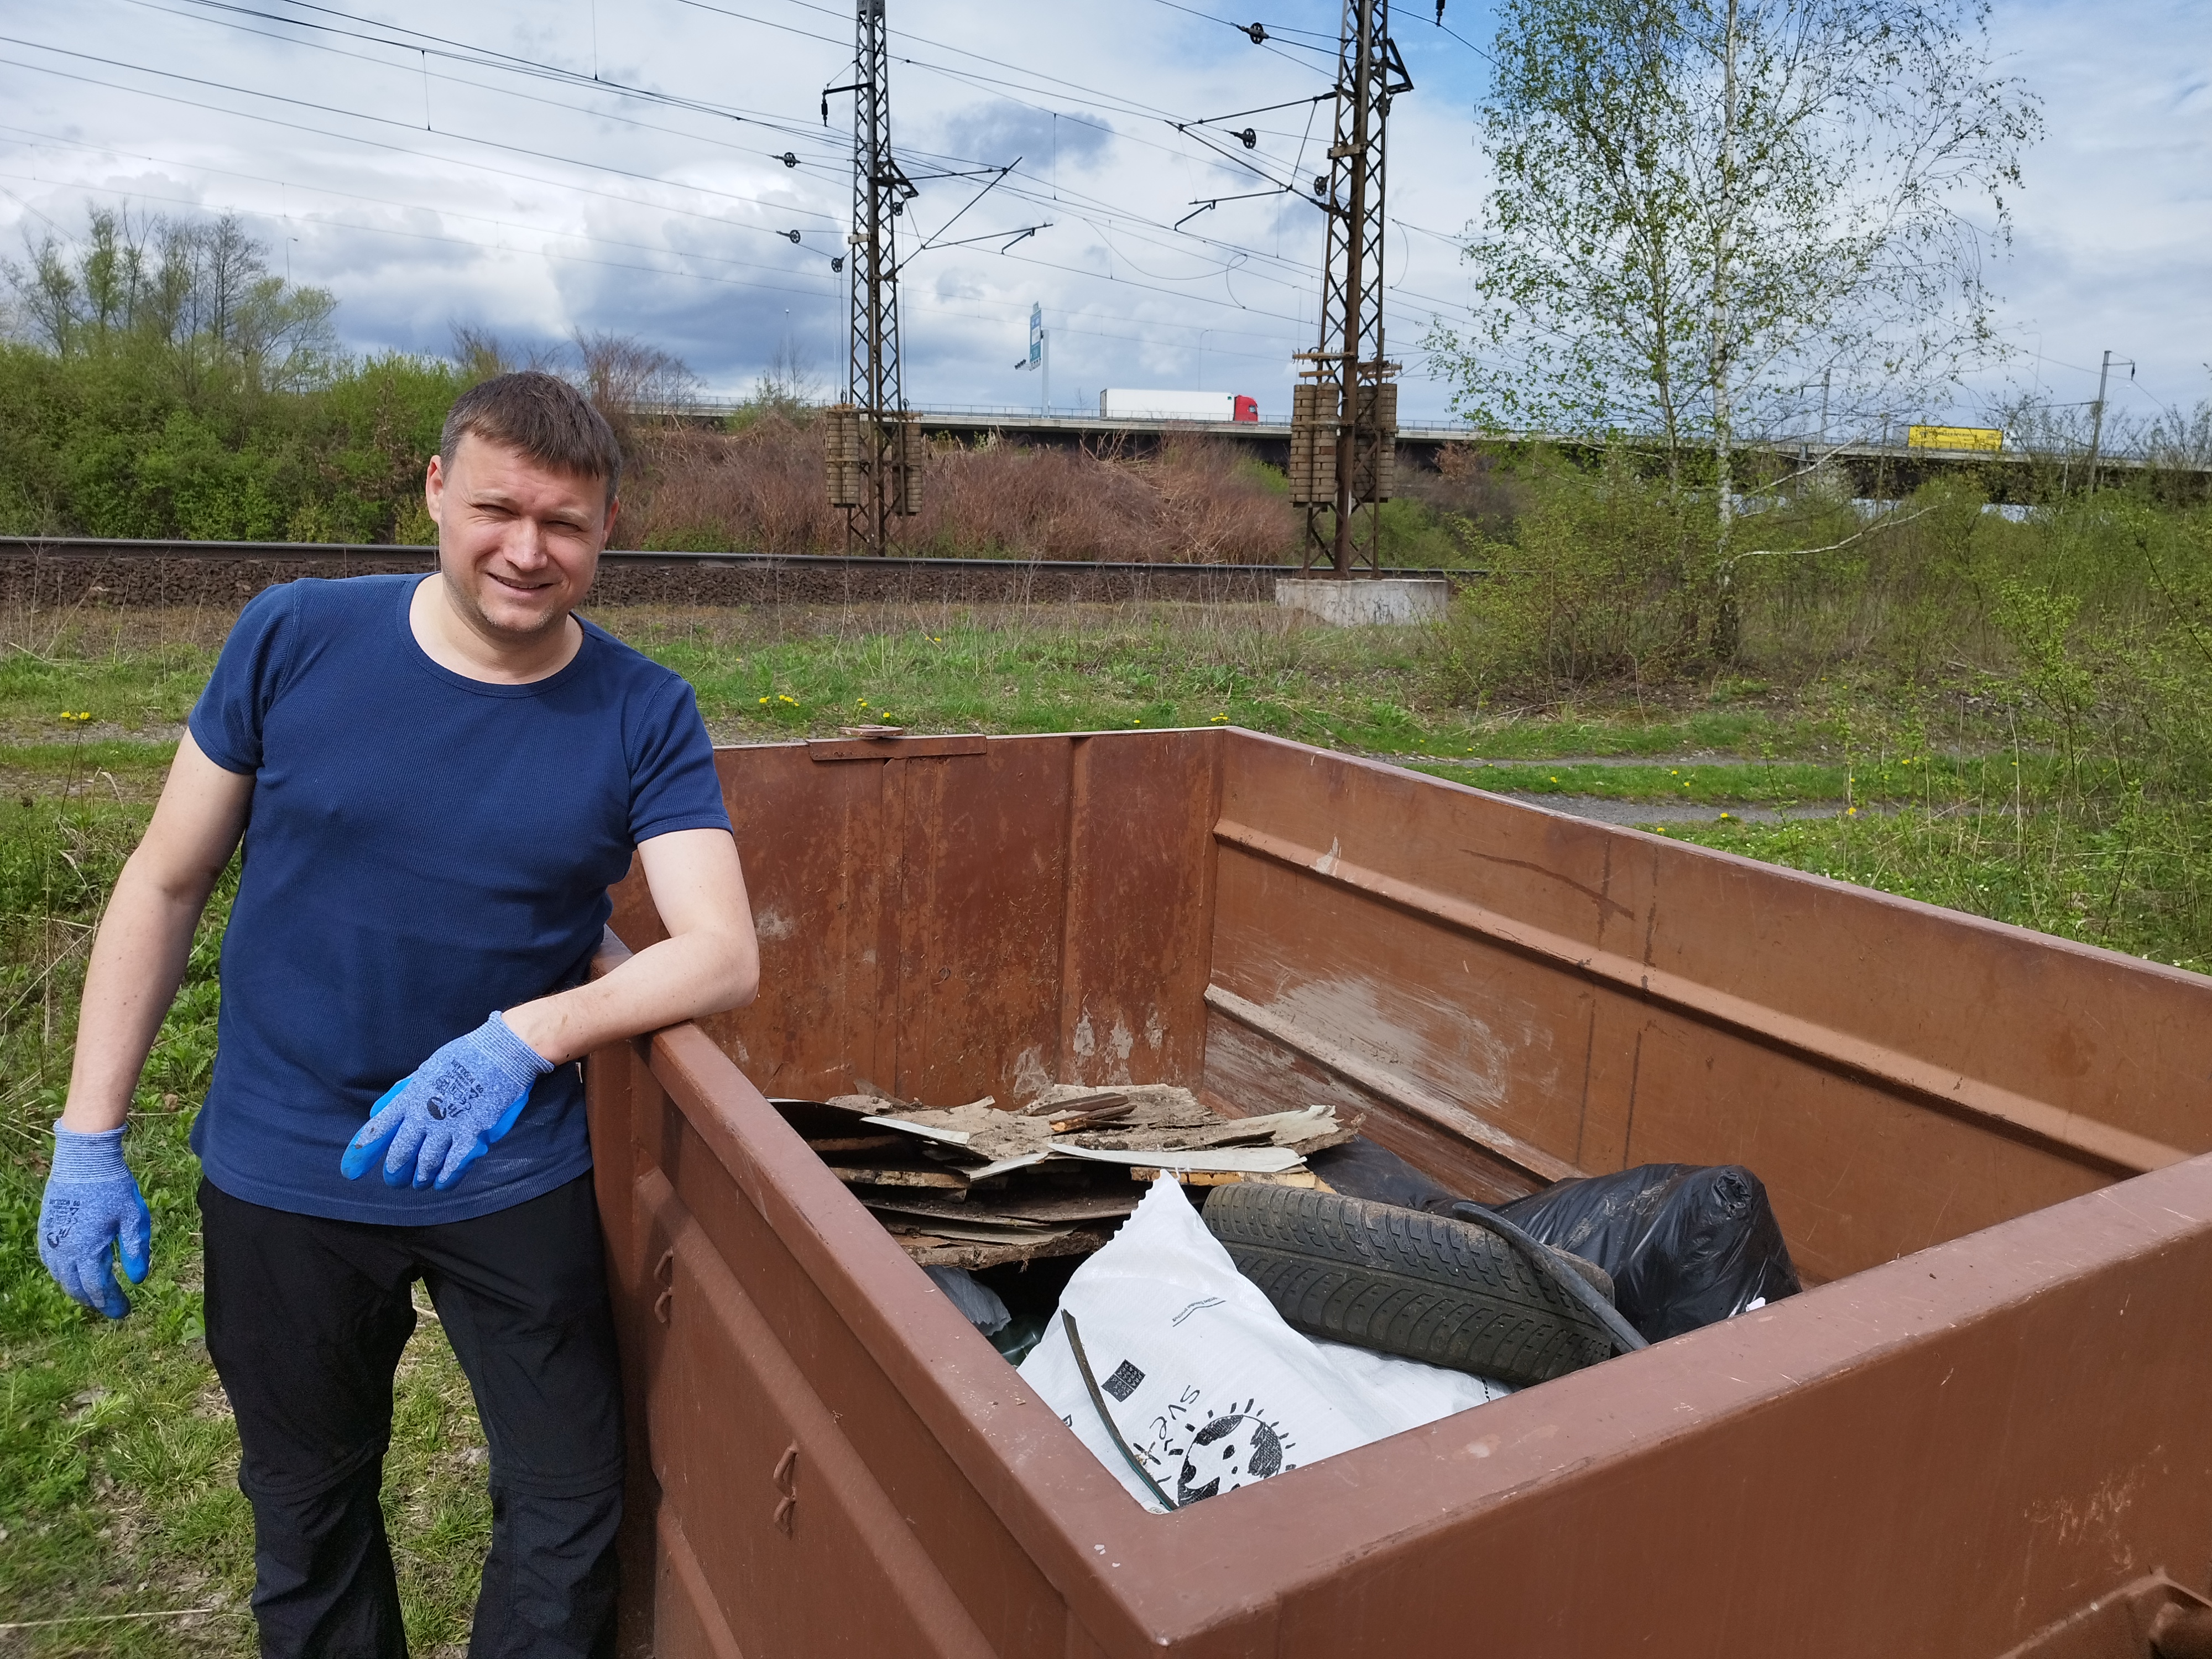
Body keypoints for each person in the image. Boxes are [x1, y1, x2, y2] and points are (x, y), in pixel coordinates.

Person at [34, 371, 760, 1658]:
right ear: (433, 490)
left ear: (606, 532)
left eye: (568, 525)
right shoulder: (294, 635)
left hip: (506, 1163)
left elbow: (719, 952)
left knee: (567, 1496)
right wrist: (88, 1135)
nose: (528, 552)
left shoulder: (643, 709)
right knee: (308, 1508)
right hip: (283, 1168)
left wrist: (519, 1040)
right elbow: (165, 877)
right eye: (497, 508)